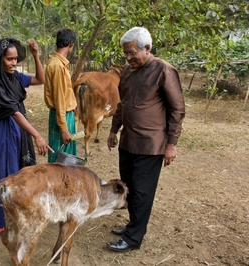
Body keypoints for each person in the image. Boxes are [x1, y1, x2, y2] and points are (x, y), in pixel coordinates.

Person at [106, 27, 185, 252]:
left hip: (150, 145)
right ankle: (133, 225)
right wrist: (114, 130)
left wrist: (171, 144)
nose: (128, 58)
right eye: (126, 54)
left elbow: (177, 110)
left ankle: (133, 239)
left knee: (142, 191)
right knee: (129, 187)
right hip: (128, 141)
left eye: (132, 53)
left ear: (147, 48)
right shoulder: (128, 72)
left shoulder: (164, 70)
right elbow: (122, 104)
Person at [0, 38, 49, 236]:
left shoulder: (15, 78)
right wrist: (37, 135)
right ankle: (1, 221)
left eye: (16, 59)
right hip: (2, 132)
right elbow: (13, 112)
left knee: (19, 171)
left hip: (18, 129)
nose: (13, 63)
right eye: (9, 59)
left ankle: (16, 214)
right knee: (3, 173)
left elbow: (40, 80)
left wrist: (36, 55)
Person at [44, 29, 78, 163]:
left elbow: (65, 92)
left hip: (65, 113)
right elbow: (59, 99)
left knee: (67, 157)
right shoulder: (58, 66)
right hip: (62, 115)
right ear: (71, 44)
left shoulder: (57, 62)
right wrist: (64, 129)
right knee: (60, 158)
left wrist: (72, 104)